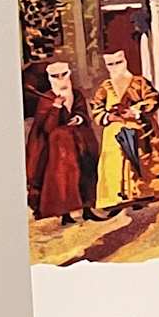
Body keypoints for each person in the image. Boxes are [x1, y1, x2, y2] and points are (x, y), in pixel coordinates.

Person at [90, 47, 159, 213]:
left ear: (125, 61)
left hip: (140, 129)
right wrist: (108, 117)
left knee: (141, 162)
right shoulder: (105, 87)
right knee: (115, 161)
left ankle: (142, 194)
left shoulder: (139, 82)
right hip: (114, 131)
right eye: (111, 64)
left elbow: (154, 99)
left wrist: (135, 111)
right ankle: (117, 198)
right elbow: (96, 107)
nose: (115, 67)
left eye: (118, 62)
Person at [25, 59, 94, 225]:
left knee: (86, 173)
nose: (61, 79)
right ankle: (65, 214)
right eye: (56, 76)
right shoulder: (47, 99)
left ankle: (87, 210)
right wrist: (55, 108)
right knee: (63, 180)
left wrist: (78, 118)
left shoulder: (76, 94)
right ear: (50, 78)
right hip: (58, 150)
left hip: (79, 142)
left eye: (64, 75)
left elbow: (82, 113)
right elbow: (46, 128)